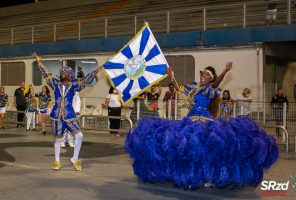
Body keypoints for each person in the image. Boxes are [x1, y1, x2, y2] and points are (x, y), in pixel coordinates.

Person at [125, 62, 278, 189]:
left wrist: (224, 71)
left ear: (211, 79)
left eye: (207, 76)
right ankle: (189, 174)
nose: (204, 77)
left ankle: (208, 176)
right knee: (185, 148)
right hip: (190, 119)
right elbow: (179, 89)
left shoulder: (211, 90)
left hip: (204, 121)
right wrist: (171, 75)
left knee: (205, 149)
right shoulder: (194, 87)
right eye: (203, 74)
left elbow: (216, 84)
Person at [33, 52, 101, 171]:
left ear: (69, 75)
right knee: (58, 139)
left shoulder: (74, 85)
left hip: (70, 115)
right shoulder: (55, 83)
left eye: (65, 72)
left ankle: (75, 159)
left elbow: (85, 81)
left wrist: (95, 72)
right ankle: (57, 161)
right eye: (61, 72)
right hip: (57, 115)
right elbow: (46, 74)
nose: (62, 73)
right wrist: (39, 62)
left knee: (79, 135)